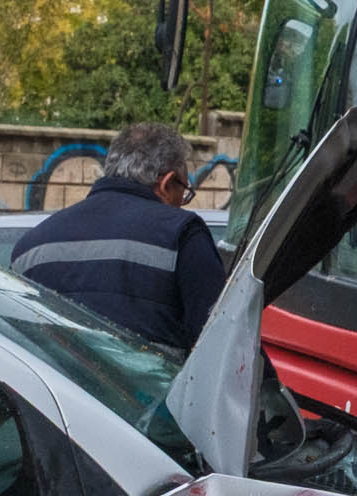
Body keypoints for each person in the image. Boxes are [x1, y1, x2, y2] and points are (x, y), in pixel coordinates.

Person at [15, 121, 228, 347]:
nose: (182, 204)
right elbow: (222, 342)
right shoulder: (182, 235)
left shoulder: (29, 247)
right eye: (184, 193)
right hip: (154, 383)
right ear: (166, 183)